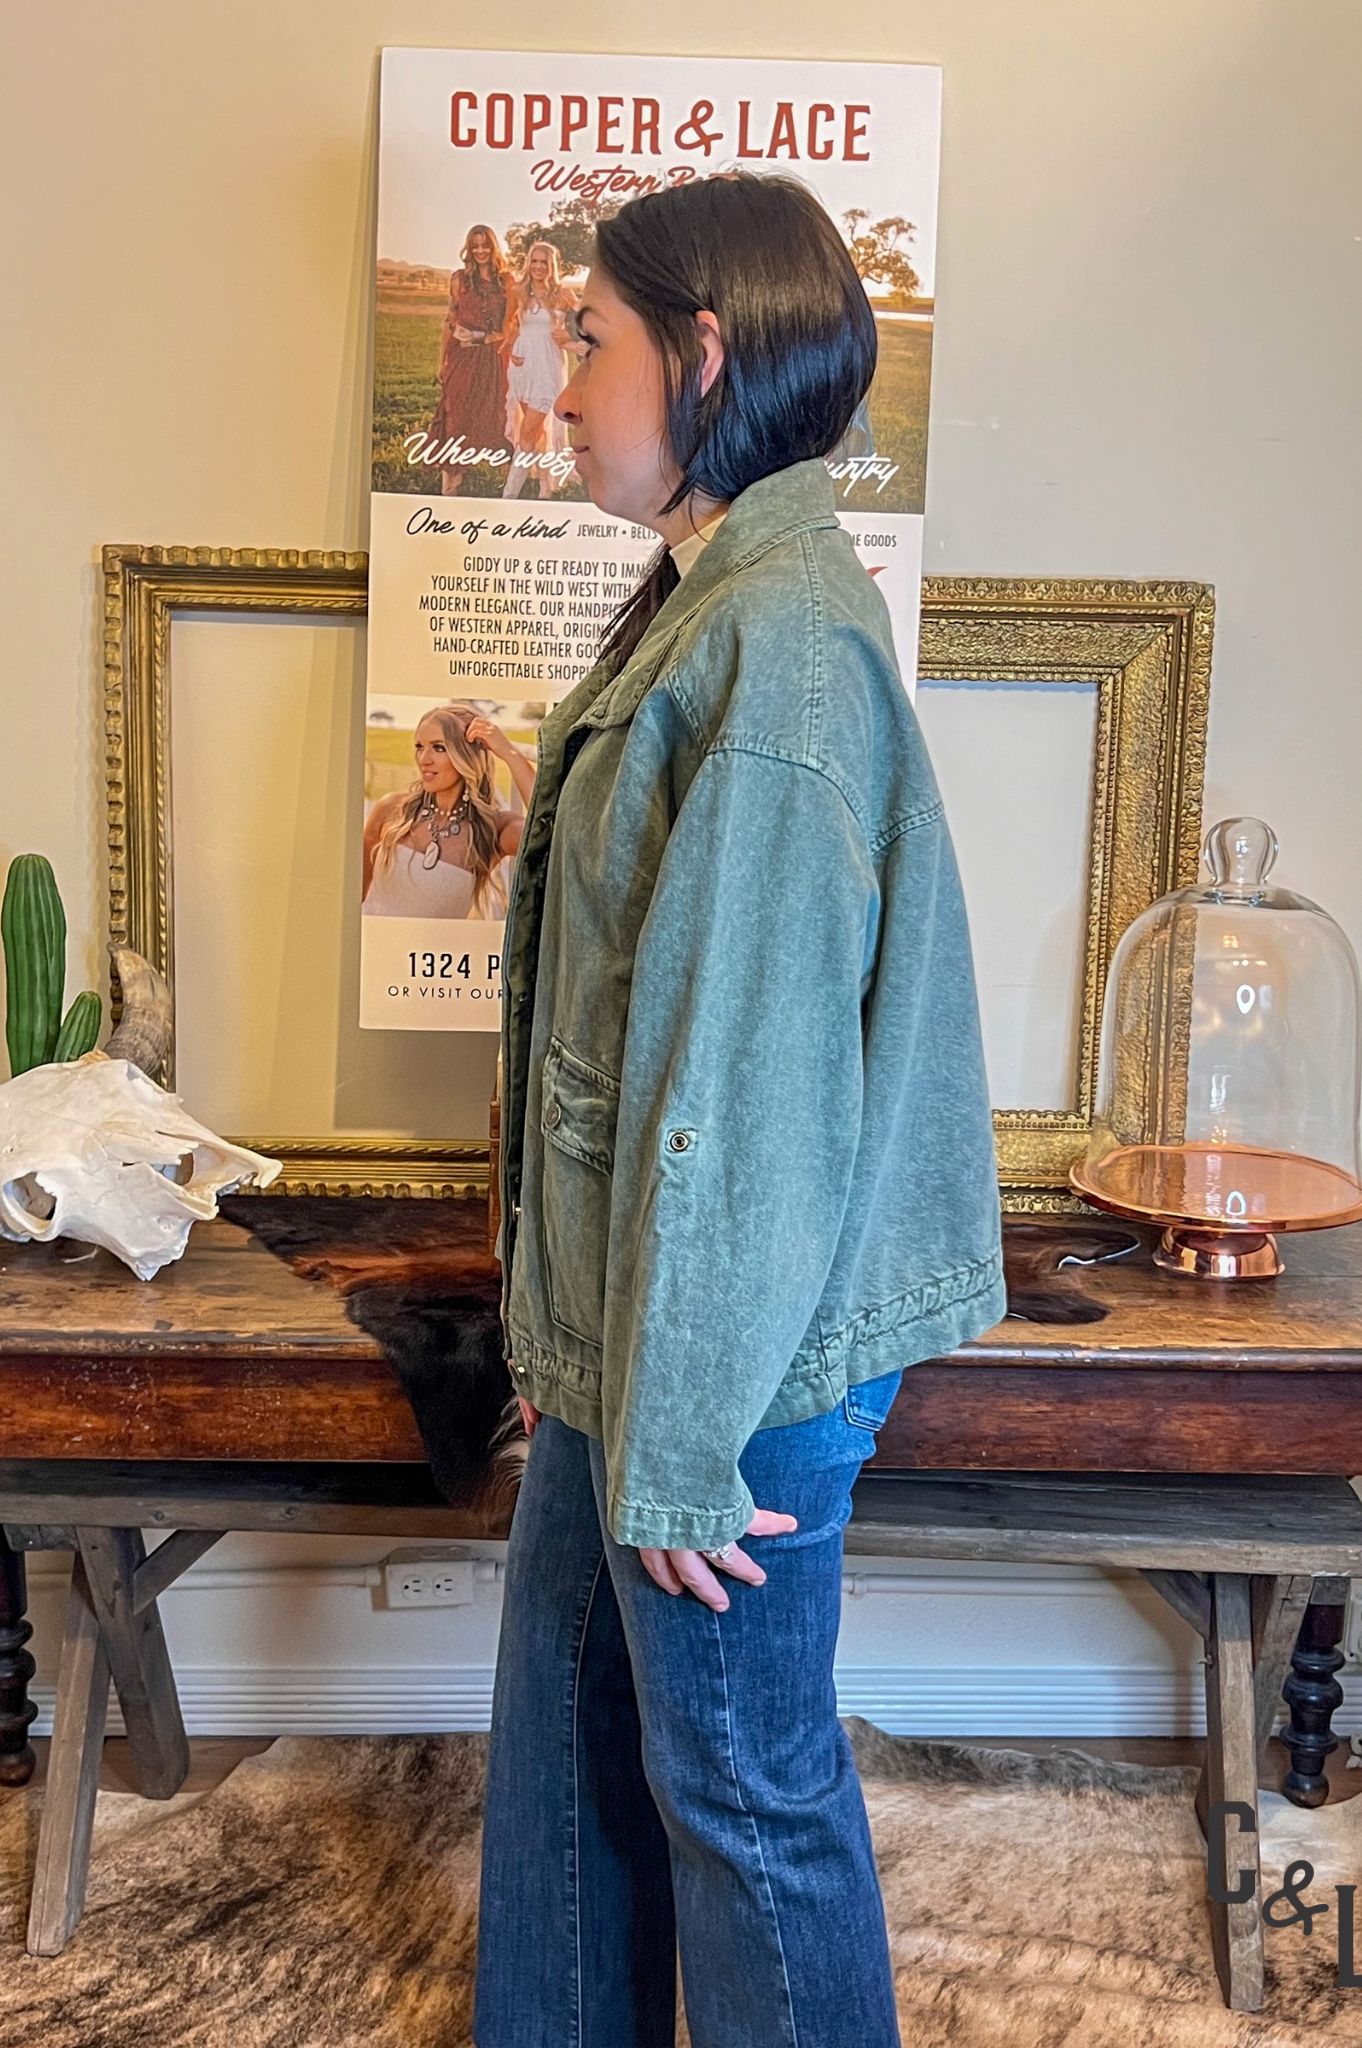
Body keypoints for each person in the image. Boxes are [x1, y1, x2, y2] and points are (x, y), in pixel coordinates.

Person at [475, 174, 1005, 2048]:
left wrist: (681, 1430)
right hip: (645, 1321)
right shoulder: (711, 599)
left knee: (743, 1801)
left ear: (702, 350)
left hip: (732, 1349)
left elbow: (743, 1088)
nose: (554, 389)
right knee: (563, 1761)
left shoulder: (772, 646)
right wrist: (572, 1338)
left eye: (592, 343)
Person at [361, 704, 533, 919]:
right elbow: (351, 897)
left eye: (439, 748)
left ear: (467, 755)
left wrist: (510, 754)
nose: (424, 759)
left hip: (435, 952)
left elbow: (556, 834)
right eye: (420, 746)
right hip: (372, 949)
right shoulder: (391, 810)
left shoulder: (493, 829)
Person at [426, 225, 510, 497]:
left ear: (493, 247)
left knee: (488, 416)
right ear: (469, 249)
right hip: (461, 356)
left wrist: (484, 339)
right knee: (455, 415)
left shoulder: (506, 282)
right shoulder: (459, 279)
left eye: (485, 245)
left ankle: (502, 478)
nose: (481, 251)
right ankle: (450, 484)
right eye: (475, 246)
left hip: (492, 359)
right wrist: (442, 360)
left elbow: (510, 326)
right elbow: (450, 320)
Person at [500, 238, 577, 499]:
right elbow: (510, 326)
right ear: (528, 264)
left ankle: (508, 496)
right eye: (534, 261)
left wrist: (567, 336)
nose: (538, 266)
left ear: (552, 265)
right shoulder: (519, 292)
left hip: (549, 368)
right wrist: (512, 346)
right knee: (535, 432)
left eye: (544, 262)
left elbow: (584, 325)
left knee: (529, 431)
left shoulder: (562, 294)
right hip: (522, 369)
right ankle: (545, 488)